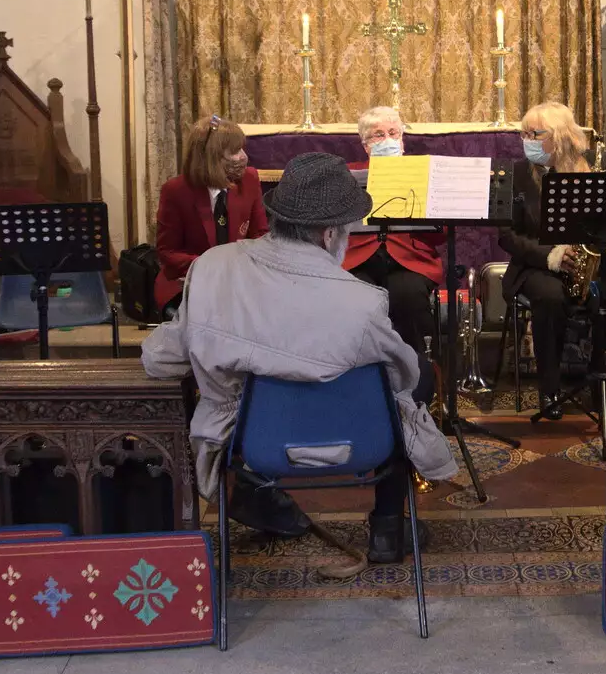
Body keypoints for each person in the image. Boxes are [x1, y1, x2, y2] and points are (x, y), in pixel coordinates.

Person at [142, 152, 455, 563]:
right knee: (411, 384)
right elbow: (405, 377)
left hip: (253, 443)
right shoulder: (362, 302)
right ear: (329, 235)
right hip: (355, 443)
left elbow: (159, 359)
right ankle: (386, 528)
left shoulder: (213, 269)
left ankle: (258, 496)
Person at [497, 101, 606, 420]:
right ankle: (550, 387)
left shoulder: (590, 170)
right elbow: (506, 235)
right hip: (537, 264)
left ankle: (600, 380)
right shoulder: (512, 174)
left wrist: (601, 243)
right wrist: (551, 255)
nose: (526, 139)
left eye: (535, 133)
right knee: (551, 298)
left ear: (558, 137)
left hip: (591, 258)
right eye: (523, 133)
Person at [345, 106, 442, 353]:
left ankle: (420, 372)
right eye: (378, 135)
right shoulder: (348, 174)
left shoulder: (423, 171)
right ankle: (364, 374)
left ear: (402, 139)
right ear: (365, 145)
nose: (387, 140)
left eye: (393, 133)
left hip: (409, 258)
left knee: (408, 296)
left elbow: (440, 234)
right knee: (356, 298)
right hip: (358, 259)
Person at [154, 115, 267, 316]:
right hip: (190, 282)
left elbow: (260, 235)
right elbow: (167, 251)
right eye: (234, 151)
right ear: (210, 157)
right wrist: (212, 269)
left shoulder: (249, 179)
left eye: (242, 148)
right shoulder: (176, 191)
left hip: (239, 282)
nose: (243, 157)